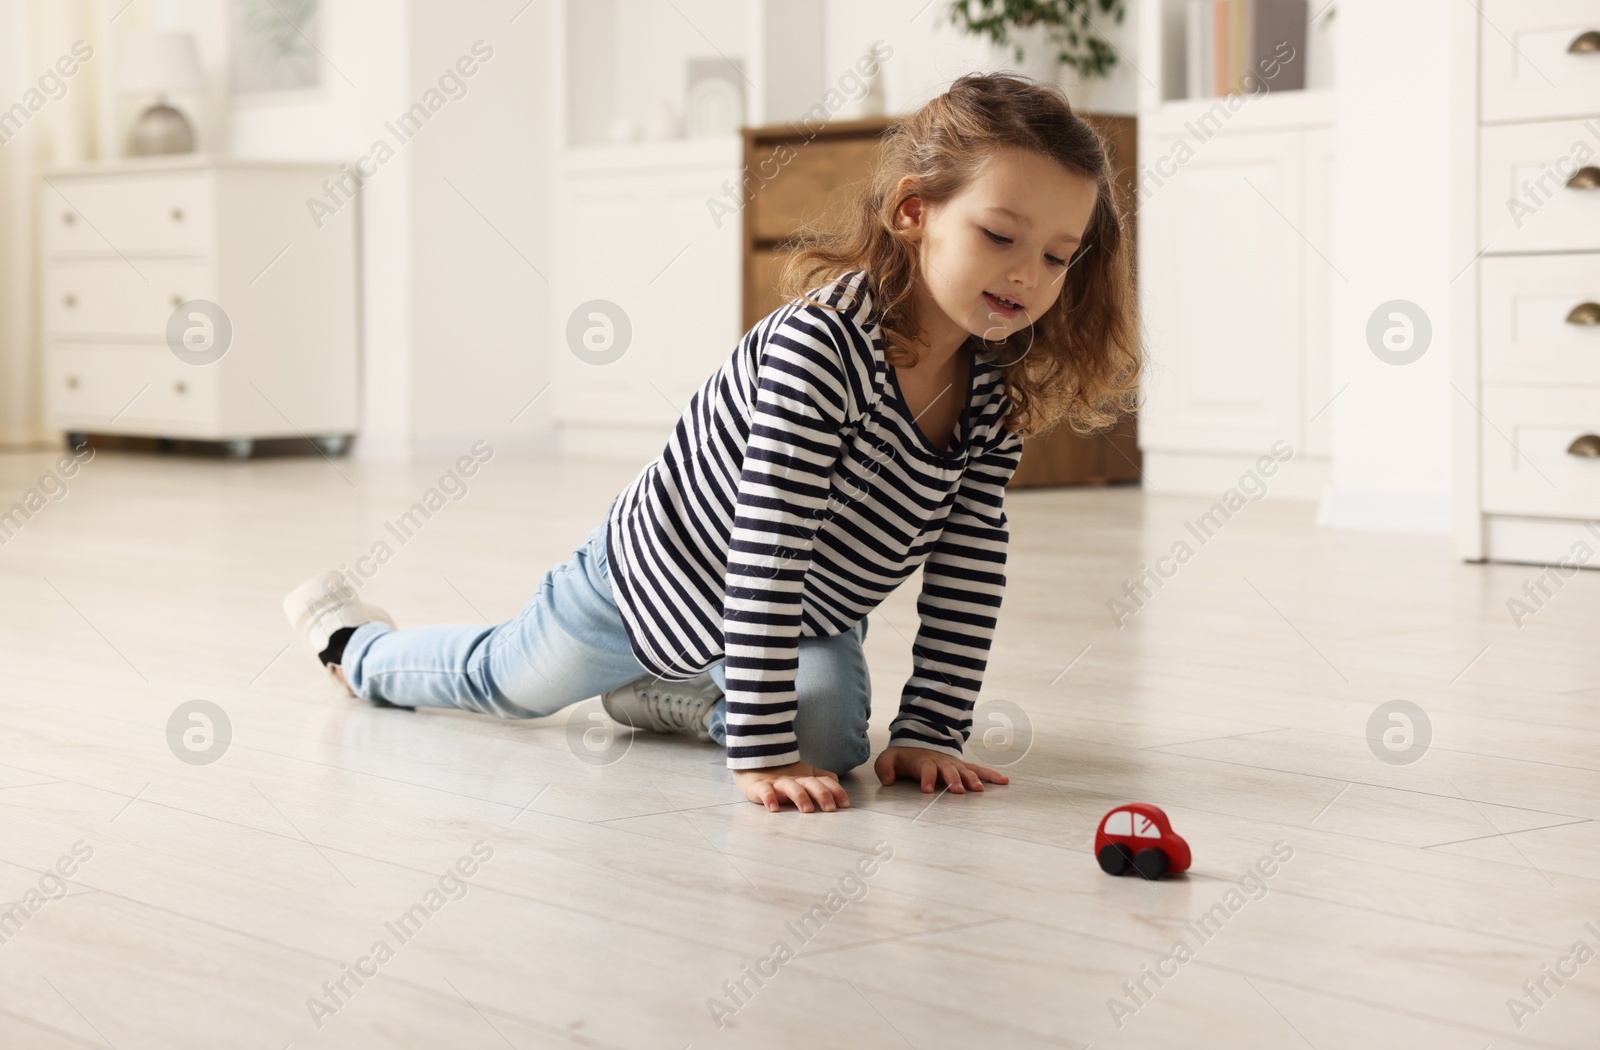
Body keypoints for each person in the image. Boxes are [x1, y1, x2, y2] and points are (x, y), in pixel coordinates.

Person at [282, 72, 1140, 815]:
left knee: (835, 741)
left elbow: (967, 561)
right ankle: (355, 647)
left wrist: (927, 732)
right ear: (915, 211)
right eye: (1000, 236)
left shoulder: (991, 392)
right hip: (646, 581)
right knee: (504, 683)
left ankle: (664, 699)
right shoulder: (822, 350)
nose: (1029, 275)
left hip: (798, 616)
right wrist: (760, 752)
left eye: (1059, 256)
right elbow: (766, 550)